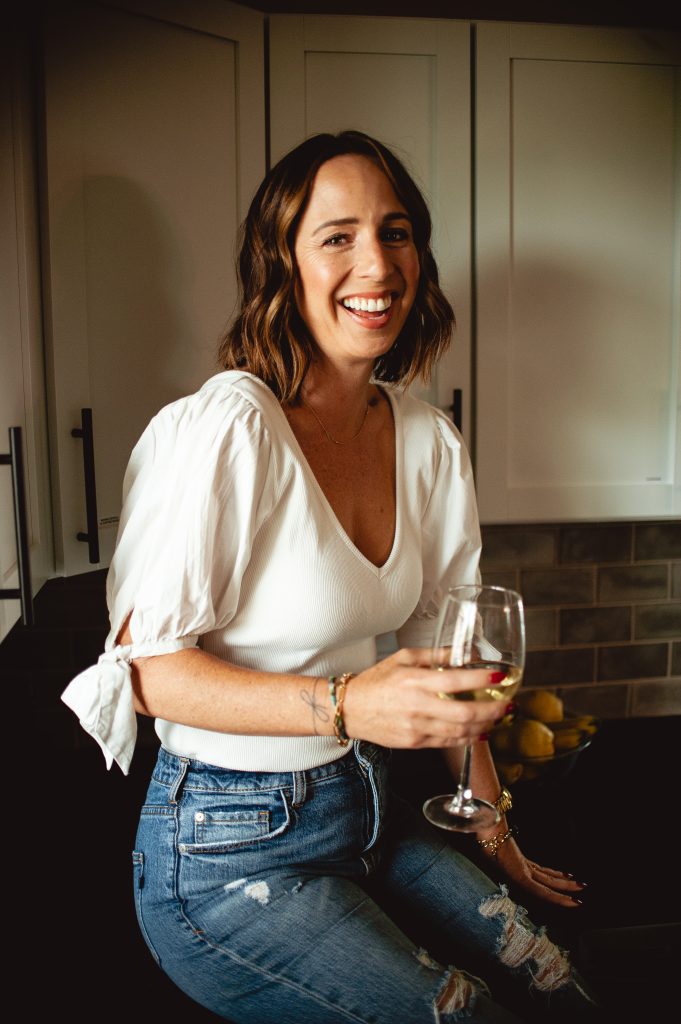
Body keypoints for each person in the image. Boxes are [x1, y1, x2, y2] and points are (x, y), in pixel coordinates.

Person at [62, 131, 598, 1024]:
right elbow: (145, 673)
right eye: (337, 236)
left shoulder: (428, 440)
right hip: (230, 856)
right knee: (460, 1013)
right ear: (283, 263)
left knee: (555, 981)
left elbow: (444, 652)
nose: (376, 264)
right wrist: (348, 703)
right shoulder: (230, 427)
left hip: (374, 812)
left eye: (395, 232)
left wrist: (493, 823)